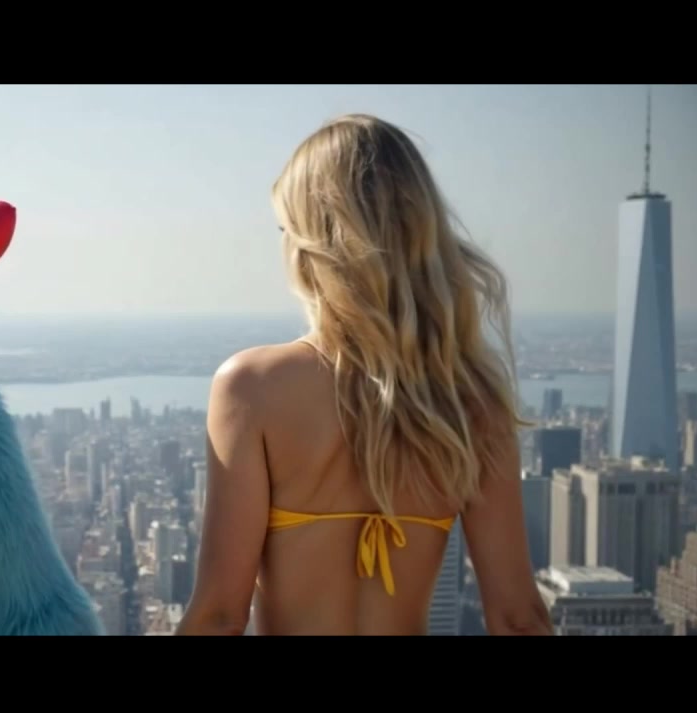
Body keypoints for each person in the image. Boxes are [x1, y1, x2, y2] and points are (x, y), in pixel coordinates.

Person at [176, 114, 552, 636]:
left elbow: (219, 616)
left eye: (286, 230)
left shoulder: (252, 388)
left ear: (313, 242)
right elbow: (518, 619)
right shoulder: (471, 402)